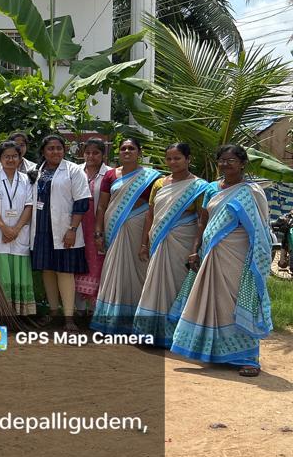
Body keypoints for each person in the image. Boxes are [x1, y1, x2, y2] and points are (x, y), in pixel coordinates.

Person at [170, 144, 273, 376]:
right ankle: (215, 352)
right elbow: (202, 222)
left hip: (237, 256)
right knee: (213, 301)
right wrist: (195, 249)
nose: (225, 165)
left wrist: (257, 259)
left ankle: (248, 358)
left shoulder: (251, 192)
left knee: (236, 301)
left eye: (231, 160)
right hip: (210, 254)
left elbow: (259, 229)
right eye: (222, 161)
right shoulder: (211, 189)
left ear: (242, 163)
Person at [132, 143, 212, 347]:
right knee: (154, 283)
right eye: (169, 158)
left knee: (177, 284)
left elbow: (201, 220)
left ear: (188, 159)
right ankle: (149, 332)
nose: (173, 162)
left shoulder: (200, 186)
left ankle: (176, 335)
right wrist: (144, 243)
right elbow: (150, 215)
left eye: (177, 158)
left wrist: (196, 248)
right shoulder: (159, 184)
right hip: (158, 240)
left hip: (183, 241)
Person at [90, 137, 161, 335]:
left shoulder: (152, 177)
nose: (127, 151)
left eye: (131, 148)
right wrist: (98, 232)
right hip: (114, 228)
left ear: (139, 152)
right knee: (114, 270)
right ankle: (111, 321)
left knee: (139, 271)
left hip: (140, 231)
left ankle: (137, 322)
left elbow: (154, 208)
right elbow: (102, 206)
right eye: (123, 148)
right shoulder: (111, 175)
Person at [29, 134, 90, 328]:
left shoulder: (73, 171)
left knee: (65, 271)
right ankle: (53, 312)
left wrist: (72, 229)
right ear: (43, 151)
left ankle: (69, 318)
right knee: (47, 270)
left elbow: (82, 202)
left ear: (64, 150)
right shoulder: (36, 171)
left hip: (65, 229)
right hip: (41, 228)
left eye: (59, 148)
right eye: (50, 148)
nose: (55, 152)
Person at [0, 141, 36, 316]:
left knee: (18, 270)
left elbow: (29, 206)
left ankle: (18, 312)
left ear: (20, 158)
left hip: (19, 234)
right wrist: (4, 228)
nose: (10, 159)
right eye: (6, 156)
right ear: (0, 159)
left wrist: (16, 230)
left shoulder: (27, 180)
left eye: (14, 156)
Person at [75, 138, 111, 314]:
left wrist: (101, 231)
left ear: (103, 155)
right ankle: (79, 309)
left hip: (100, 228)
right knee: (78, 263)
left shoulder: (111, 174)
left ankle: (96, 309)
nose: (91, 156)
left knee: (98, 264)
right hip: (78, 227)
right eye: (88, 152)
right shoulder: (75, 171)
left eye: (95, 152)